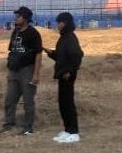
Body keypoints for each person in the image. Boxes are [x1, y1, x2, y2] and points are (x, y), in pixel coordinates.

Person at [0, 6, 43, 136]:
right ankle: (8, 124)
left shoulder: (33, 33)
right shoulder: (15, 31)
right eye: (16, 16)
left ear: (26, 18)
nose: (16, 18)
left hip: (27, 70)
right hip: (14, 70)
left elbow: (38, 54)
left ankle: (28, 127)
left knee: (28, 101)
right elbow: (12, 50)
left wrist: (36, 74)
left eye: (19, 16)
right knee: (9, 99)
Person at [44, 12, 84, 144]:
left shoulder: (70, 38)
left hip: (67, 76)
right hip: (62, 75)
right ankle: (67, 130)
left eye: (59, 22)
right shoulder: (63, 38)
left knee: (68, 104)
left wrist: (70, 72)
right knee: (63, 104)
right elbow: (61, 57)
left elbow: (77, 56)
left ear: (65, 22)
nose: (58, 24)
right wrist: (51, 53)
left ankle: (74, 132)